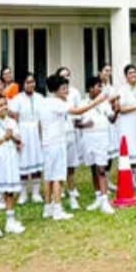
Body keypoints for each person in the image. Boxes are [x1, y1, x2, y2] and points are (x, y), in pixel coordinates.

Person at [40, 73, 105, 221]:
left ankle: (48, 207)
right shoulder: (56, 103)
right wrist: (98, 101)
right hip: (56, 142)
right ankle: (57, 209)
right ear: (55, 90)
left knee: (49, 176)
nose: (66, 91)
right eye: (63, 88)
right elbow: (78, 111)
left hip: (47, 143)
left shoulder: (44, 102)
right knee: (57, 176)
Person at [0, 94, 26, 238]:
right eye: (1, 105)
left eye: (5, 104)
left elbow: (19, 141)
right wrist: (3, 138)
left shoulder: (12, 122)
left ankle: (10, 221)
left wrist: (13, 137)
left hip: (10, 160)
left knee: (10, 191)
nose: (4, 107)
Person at [79, 76, 117, 214]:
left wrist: (116, 110)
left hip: (102, 137)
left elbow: (111, 119)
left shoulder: (104, 103)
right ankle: (98, 197)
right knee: (93, 168)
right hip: (88, 138)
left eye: (101, 86)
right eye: (97, 86)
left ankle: (105, 200)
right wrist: (84, 125)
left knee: (102, 169)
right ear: (90, 88)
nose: (100, 89)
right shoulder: (82, 103)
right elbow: (76, 122)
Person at [8, 73, 45, 205]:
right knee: (23, 162)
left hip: (36, 132)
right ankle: (23, 193)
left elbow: (42, 119)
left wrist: (42, 136)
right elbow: (14, 118)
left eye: (33, 82)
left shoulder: (40, 98)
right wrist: (17, 137)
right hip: (23, 131)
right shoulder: (17, 99)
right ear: (23, 84)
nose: (31, 85)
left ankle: (35, 192)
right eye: (28, 82)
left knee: (36, 160)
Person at [115, 64, 136, 188]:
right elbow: (121, 109)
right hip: (127, 123)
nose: (133, 75)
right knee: (129, 150)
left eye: (134, 72)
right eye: (130, 73)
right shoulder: (122, 90)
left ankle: (134, 179)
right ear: (126, 76)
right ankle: (127, 179)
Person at [57, 66, 85, 209]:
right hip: (59, 135)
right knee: (60, 164)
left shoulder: (74, 92)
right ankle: (59, 190)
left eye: (68, 75)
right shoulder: (54, 98)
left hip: (72, 131)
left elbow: (78, 111)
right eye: (63, 75)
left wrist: (78, 122)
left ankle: (72, 189)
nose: (66, 78)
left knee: (71, 165)